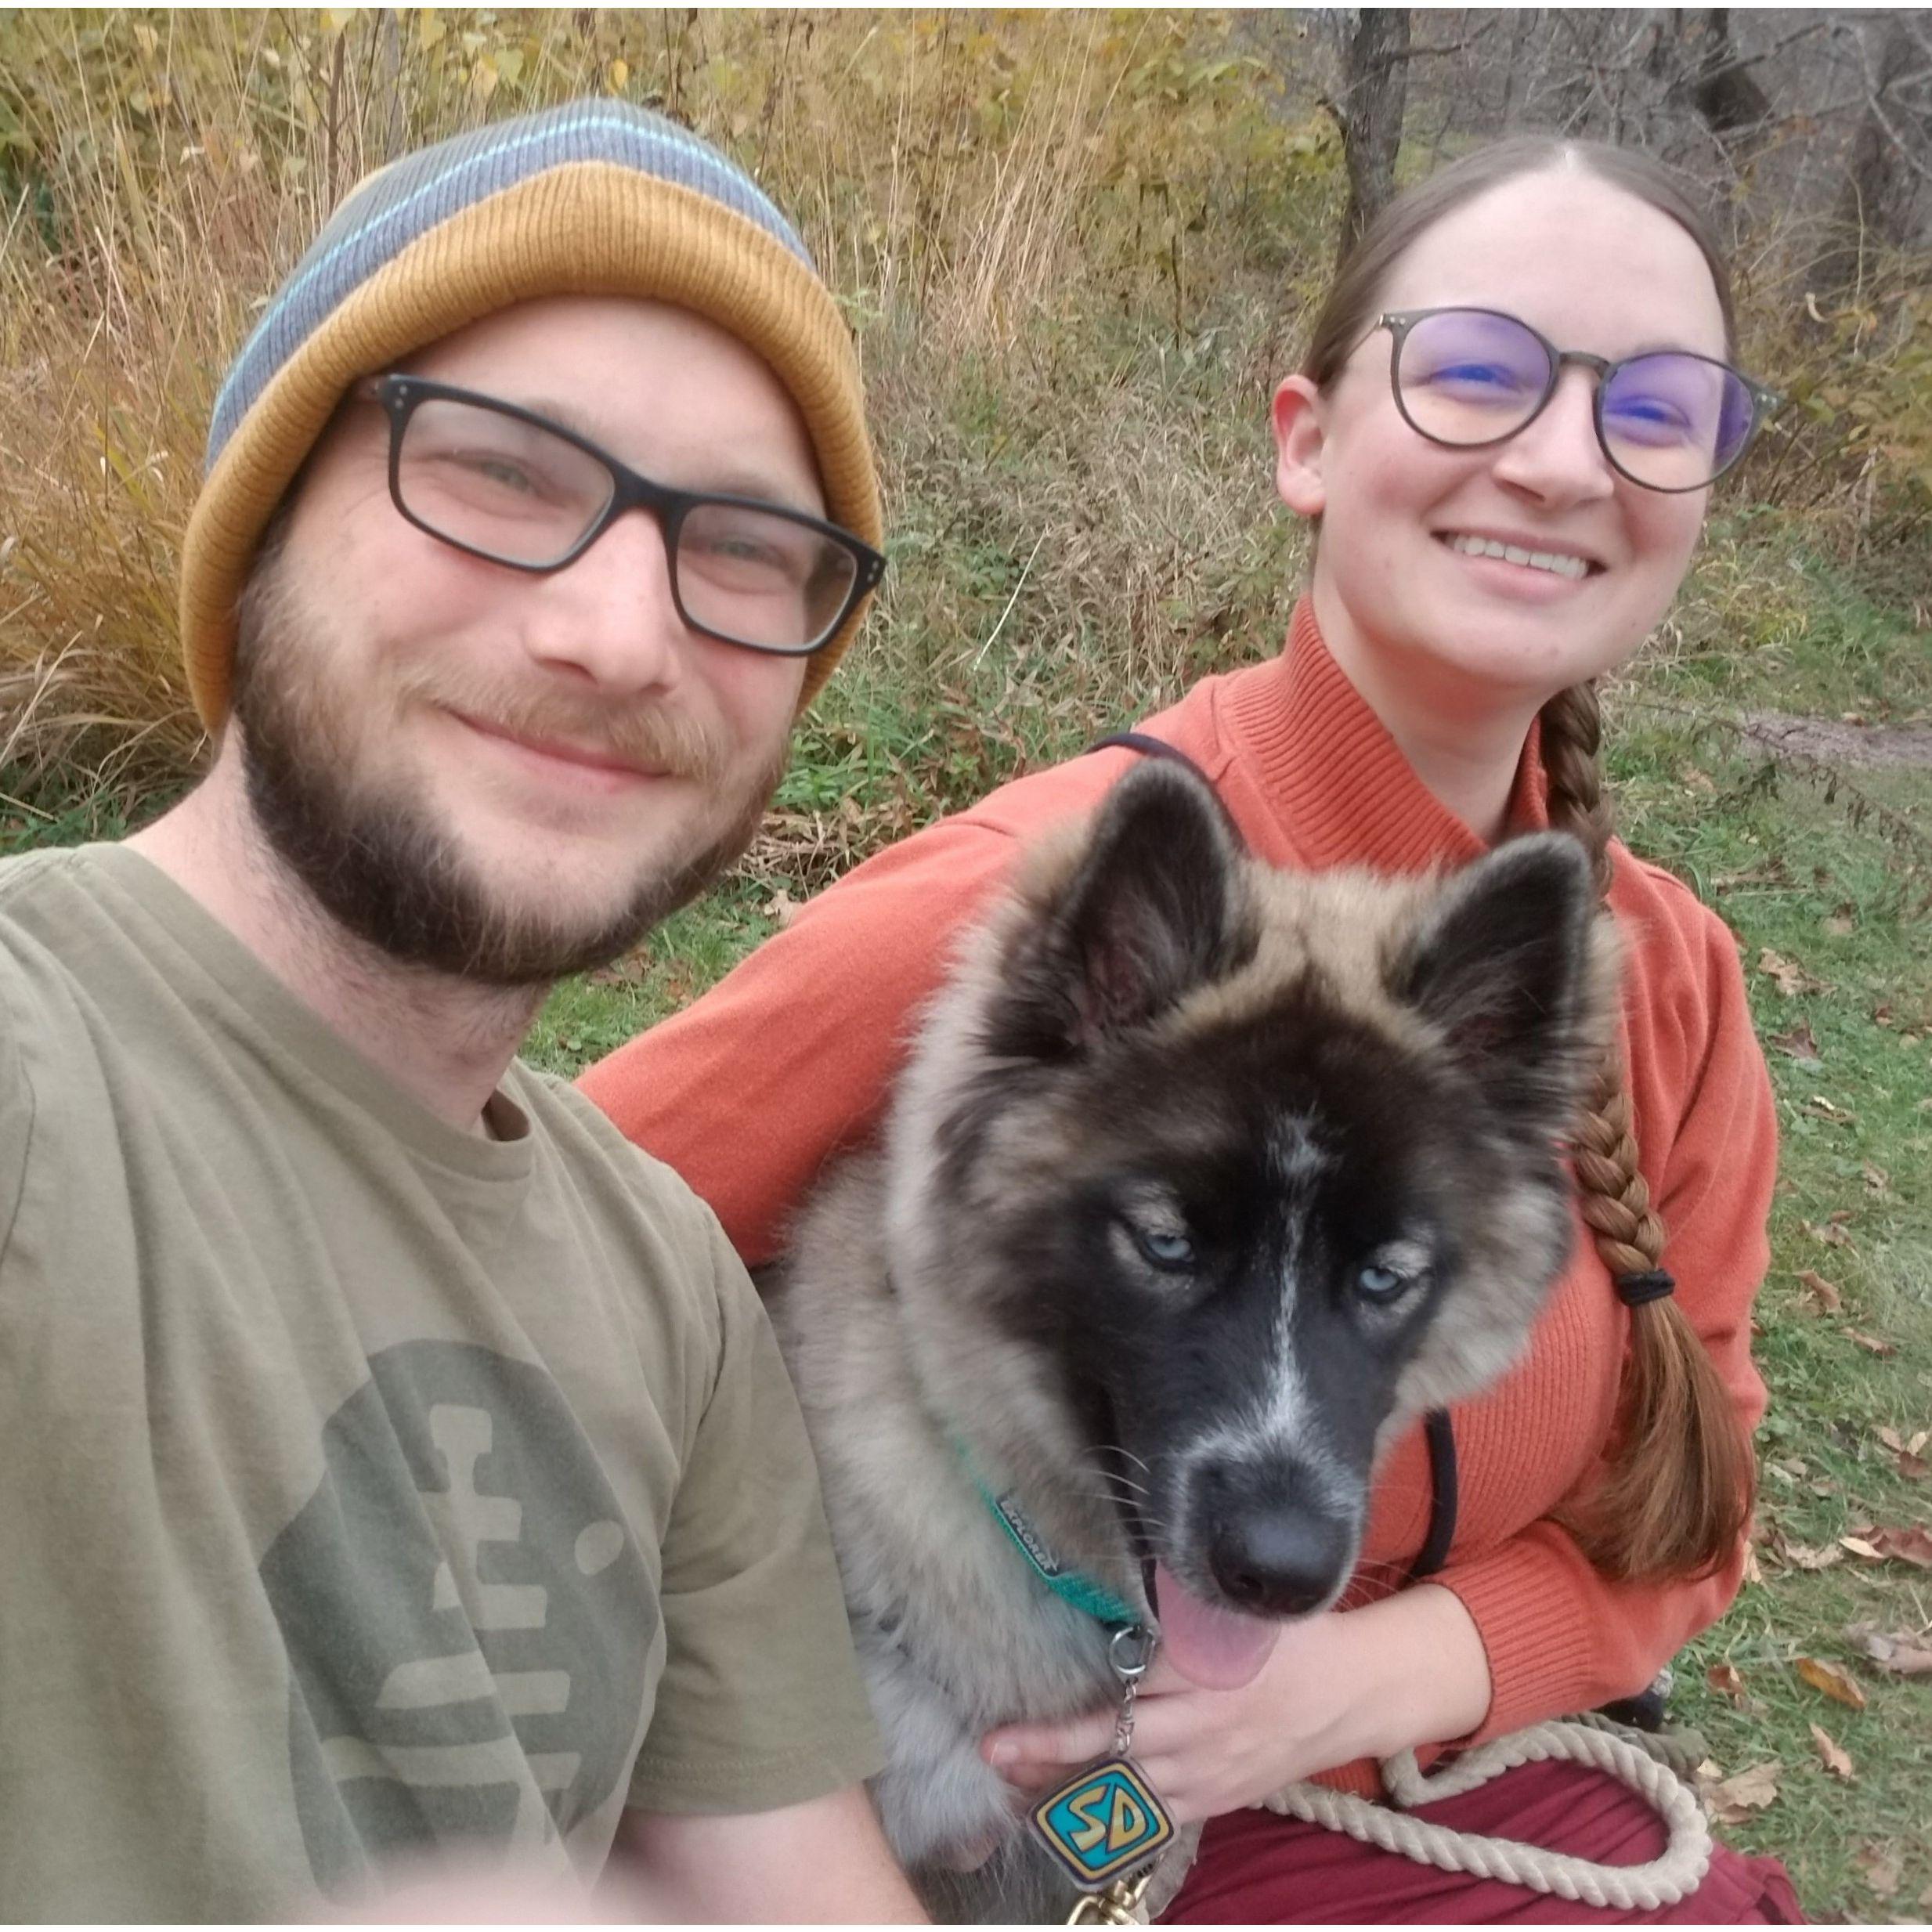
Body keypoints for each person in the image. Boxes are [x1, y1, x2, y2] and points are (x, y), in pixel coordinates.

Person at [580, 137, 1804, 1922]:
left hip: (1396, 1782)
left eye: (1656, 406)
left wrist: (1351, 1685)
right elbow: (517, 1259)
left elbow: (1690, 1522)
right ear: (1305, 436)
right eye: (1478, 370)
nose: (1556, 459)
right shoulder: (1024, 901)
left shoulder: (1654, 979)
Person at [0, 100, 924, 1922]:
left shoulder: (666, 1282)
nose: (618, 630)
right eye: (501, 469)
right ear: (260, 525)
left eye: (743, 548)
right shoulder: (42, 1063)